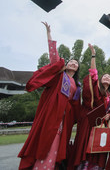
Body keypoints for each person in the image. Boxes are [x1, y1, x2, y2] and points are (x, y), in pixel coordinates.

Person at [18, 22, 81, 169]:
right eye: (71, 61)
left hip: (64, 118)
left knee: (57, 143)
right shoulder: (60, 75)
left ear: (78, 68)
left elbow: (75, 103)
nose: (73, 63)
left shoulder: (77, 85)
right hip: (51, 114)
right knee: (47, 141)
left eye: (76, 63)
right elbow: (54, 59)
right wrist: (49, 34)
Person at [72, 43, 110, 170]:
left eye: (109, 77)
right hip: (91, 121)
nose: (107, 77)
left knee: (101, 146)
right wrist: (93, 55)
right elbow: (93, 75)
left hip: (104, 123)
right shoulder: (96, 89)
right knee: (87, 144)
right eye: (104, 76)